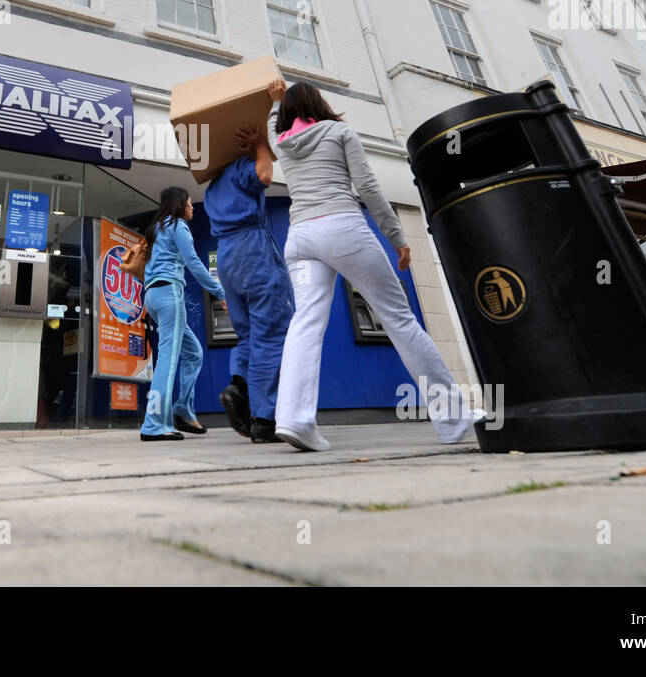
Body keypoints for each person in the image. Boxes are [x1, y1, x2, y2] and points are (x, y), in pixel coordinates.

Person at [266, 78, 483, 451]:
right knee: (399, 320)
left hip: (299, 237)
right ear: (319, 104)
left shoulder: (282, 144)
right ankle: (452, 419)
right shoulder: (339, 132)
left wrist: (274, 102)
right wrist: (397, 237)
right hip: (343, 228)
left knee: (304, 325)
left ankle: (293, 419)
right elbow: (367, 187)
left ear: (286, 112)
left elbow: (273, 128)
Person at [203, 123, 294, 443]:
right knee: (271, 334)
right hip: (253, 250)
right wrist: (260, 146)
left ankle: (238, 386)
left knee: (248, 334)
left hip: (226, 256)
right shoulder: (240, 168)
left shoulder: (211, 188)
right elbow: (265, 176)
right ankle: (264, 419)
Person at [139, 186, 226, 441]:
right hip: (169, 295)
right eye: (189, 203)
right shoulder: (177, 225)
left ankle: (182, 411)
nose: (192, 207)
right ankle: (155, 424)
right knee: (168, 358)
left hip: (152, 296)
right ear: (180, 204)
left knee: (193, 352)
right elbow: (194, 263)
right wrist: (220, 292)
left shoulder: (156, 228)